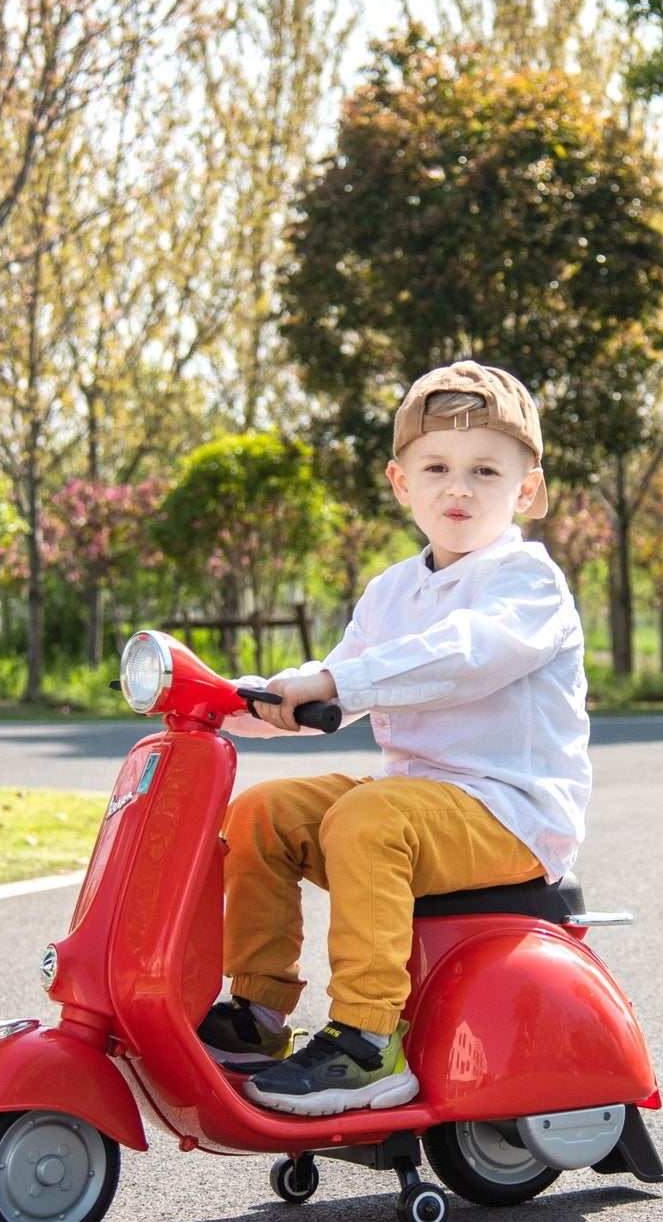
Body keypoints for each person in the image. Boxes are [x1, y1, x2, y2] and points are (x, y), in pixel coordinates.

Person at [197, 360, 592, 1116]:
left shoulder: (525, 584)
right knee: (263, 813)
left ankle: (366, 1040)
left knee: (367, 817)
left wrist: (336, 684)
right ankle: (257, 1012)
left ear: (527, 490)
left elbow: (464, 655)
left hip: (510, 812)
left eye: (485, 470)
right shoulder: (390, 591)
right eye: (436, 466)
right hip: (418, 806)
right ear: (399, 481)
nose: (459, 488)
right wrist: (223, 703)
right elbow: (334, 678)